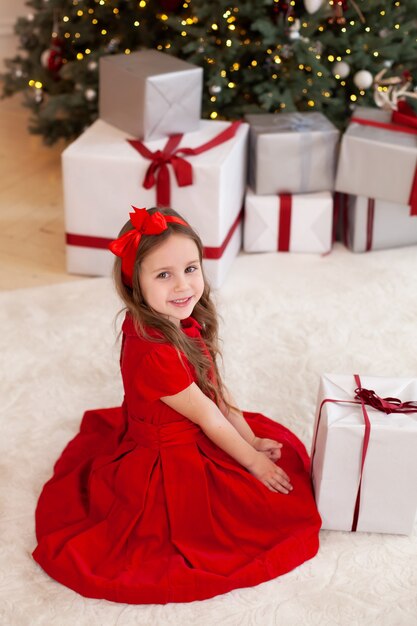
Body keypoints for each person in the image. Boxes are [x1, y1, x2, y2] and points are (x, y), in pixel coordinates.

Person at [32, 206, 321, 604]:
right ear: (135, 284)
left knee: (271, 465)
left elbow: (214, 387)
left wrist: (251, 439)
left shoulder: (174, 317)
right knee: (252, 519)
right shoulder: (154, 352)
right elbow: (209, 417)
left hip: (197, 421)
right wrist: (253, 462)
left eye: (191, 268)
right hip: (168, 462)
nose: (183, 285)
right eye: (163, 275)